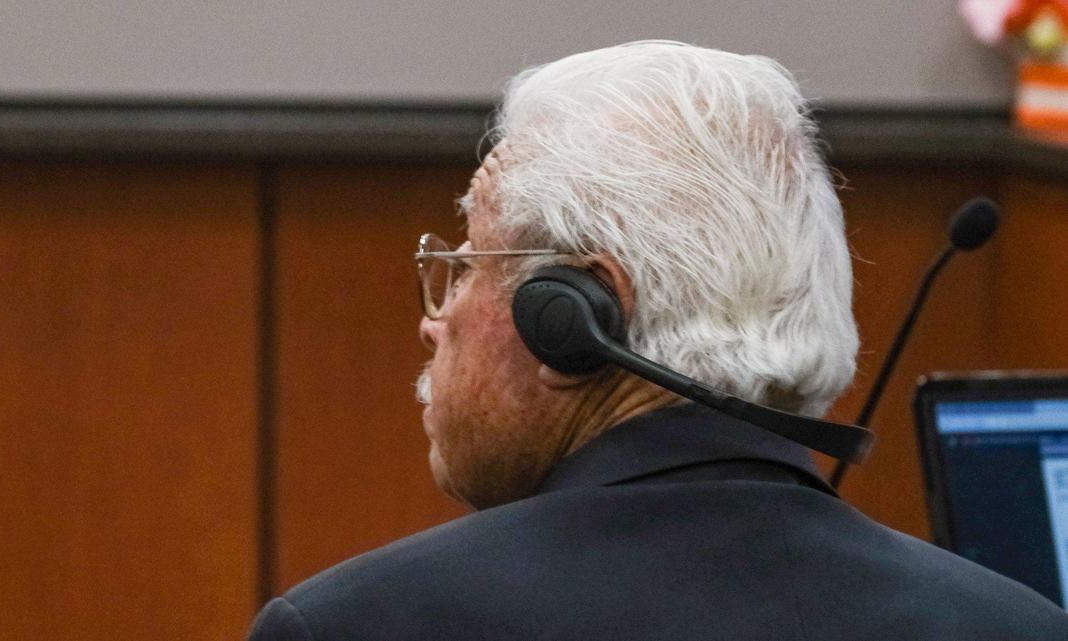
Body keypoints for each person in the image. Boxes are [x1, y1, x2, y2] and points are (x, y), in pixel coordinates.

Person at [248, 41, 1068, 640]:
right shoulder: (1019, 625)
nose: (437, 318)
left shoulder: (358, 626)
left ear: (575, 317)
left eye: (467, 266)